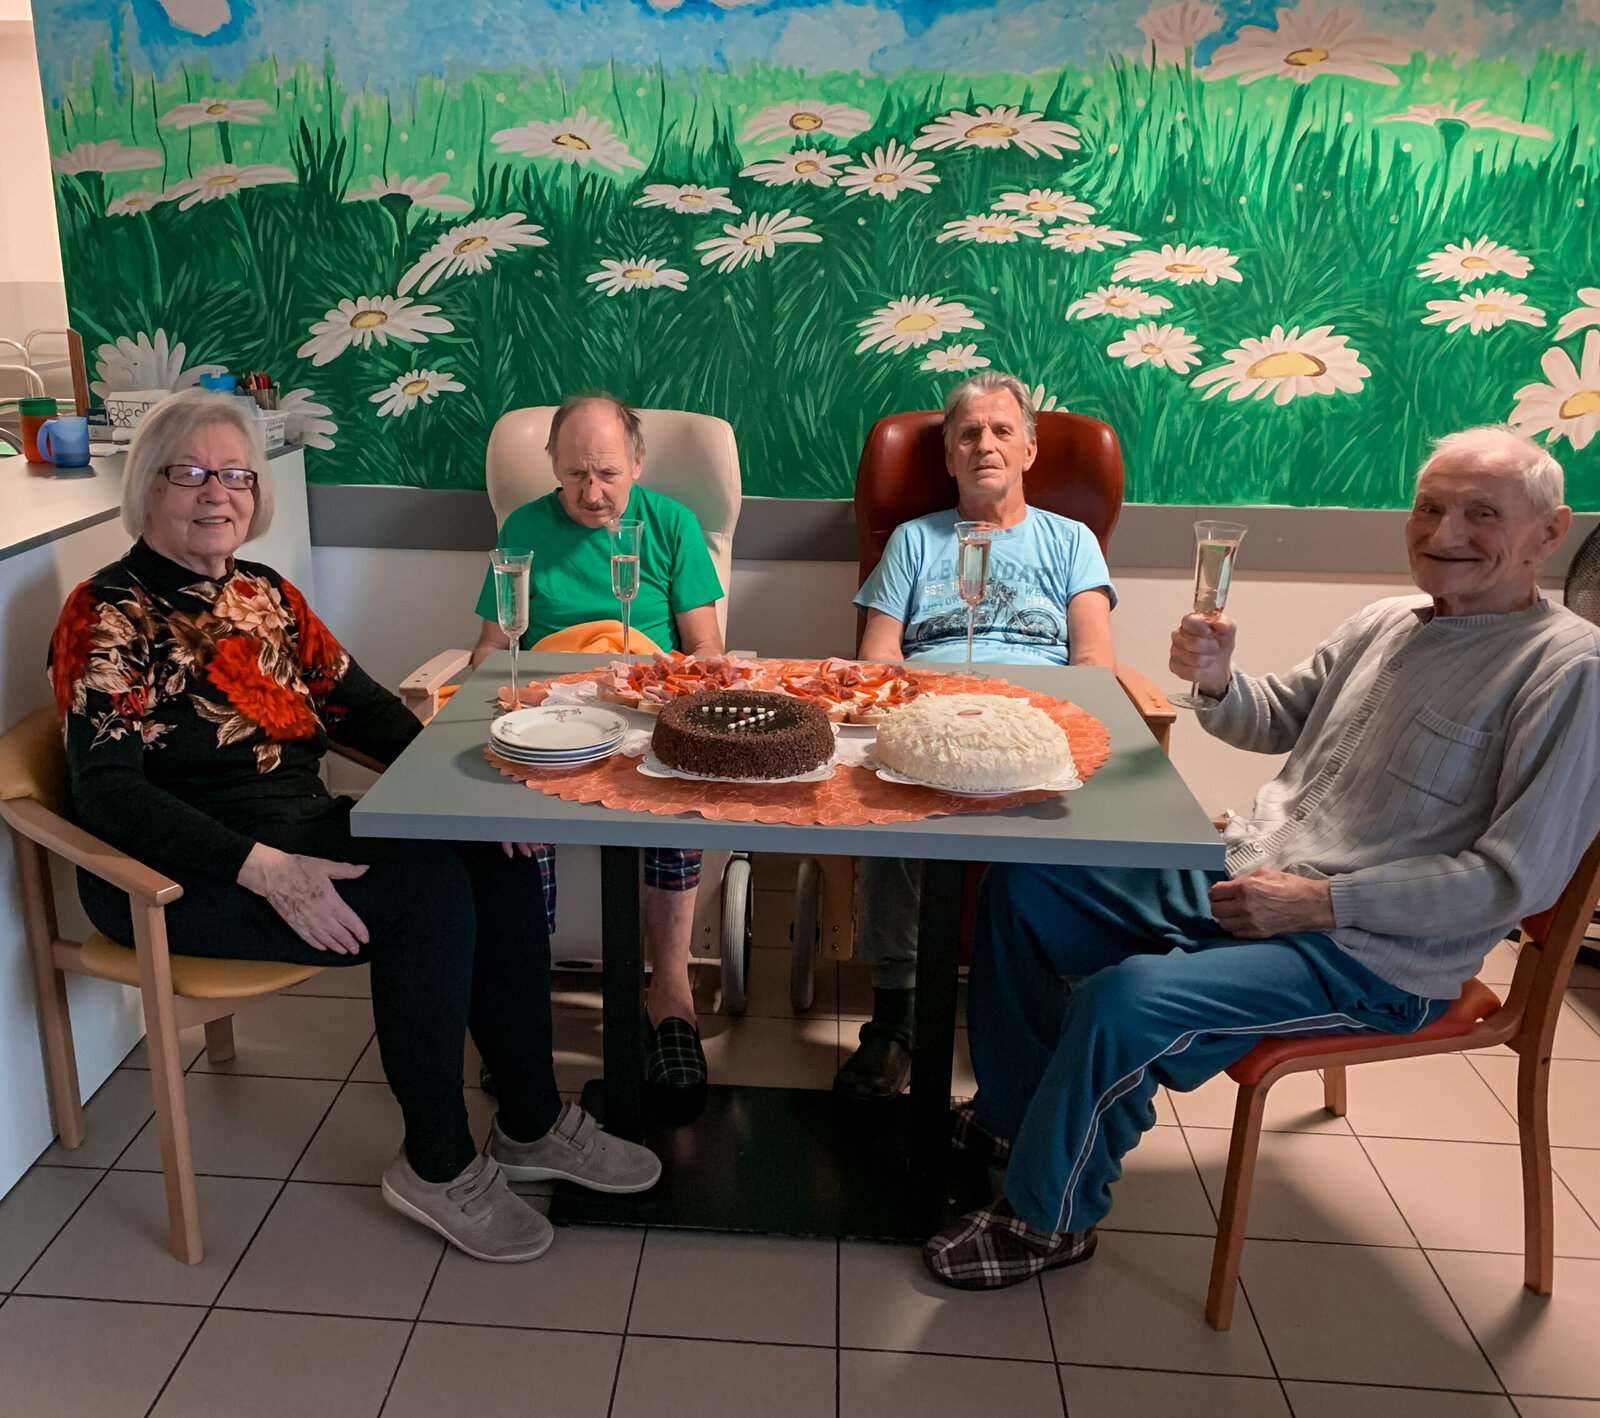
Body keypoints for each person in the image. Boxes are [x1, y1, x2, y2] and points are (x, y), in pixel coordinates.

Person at [923, 425, 1600, 1289]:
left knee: (1126, 1001)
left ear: (1551, 531)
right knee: (1028, 882)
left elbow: (1512, 880)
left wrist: (1322, 903)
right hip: (1246, 877)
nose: (1445, 533)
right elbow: (1276, 717)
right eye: (1429, 509)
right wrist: (1216, 679)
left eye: (1482, 514)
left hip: (1369, 955)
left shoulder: (1568, 671)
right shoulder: (1387, 621)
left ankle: (1049, 1218)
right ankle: (1014, 1117)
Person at [50, 389, 660, 1267]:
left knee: (496, 859)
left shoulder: (265, 594)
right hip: (180, 872)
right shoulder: (107, 611)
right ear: (147, 486)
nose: (217, 493)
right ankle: (436, 1163)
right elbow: (107, 795)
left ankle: (530, 1124)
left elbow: (367, 712)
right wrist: (265, 869)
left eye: (235, 476)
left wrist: (471, 804)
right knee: (425, 896)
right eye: (190, 475)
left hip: (299, 831)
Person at [836, 371, 1117, 1102]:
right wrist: (931, 712)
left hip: (1036, 726)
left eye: (1001, 430)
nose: (984, 444)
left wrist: (1028, 716)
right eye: (968, 434)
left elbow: (1094, 664)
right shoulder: (913, 541)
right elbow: (878, 658)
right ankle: (895, 1016)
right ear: (949, 458)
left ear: (1029, 450)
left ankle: (1042, 1025)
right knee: (884, 803)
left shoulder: (1072, 542)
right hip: (930, 720)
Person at [470, 393, 726, 1099]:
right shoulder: (524, 527)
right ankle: (521, 1006)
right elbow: (489, 649)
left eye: (608, 474)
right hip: (550, 718)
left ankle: (669, 997)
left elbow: (704, 645)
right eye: (575, 473)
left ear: (637, 463)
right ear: (551, 464)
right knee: (515, 822)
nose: (592, 493)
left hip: (643, 709)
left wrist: (684, 681)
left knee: (676, 802)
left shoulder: (670, 523)